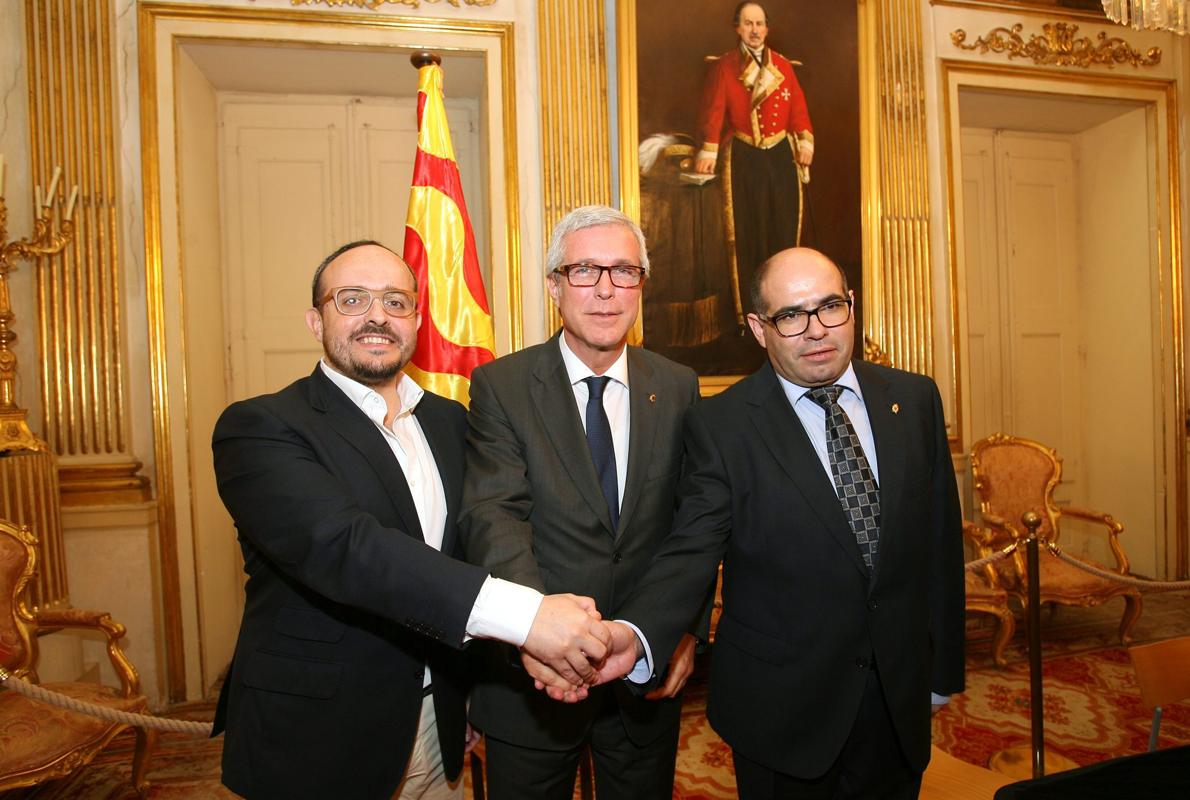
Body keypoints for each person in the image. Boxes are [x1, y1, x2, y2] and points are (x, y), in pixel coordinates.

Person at [211, 240, 612, 800]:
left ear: (417, 321)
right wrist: (530, 619)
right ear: (314, 320)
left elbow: (469, 551)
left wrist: (476, 685)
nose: (377, 315)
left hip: (436, 729)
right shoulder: (261, 427)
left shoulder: (450, 421)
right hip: (317, 738)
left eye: (396, 302)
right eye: (351, 299)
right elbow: (347, 548)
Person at [596, 247, 965, 798]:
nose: (816, 330)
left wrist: (942, 675)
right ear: (758, 327)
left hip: (897, 701)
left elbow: (940, 548)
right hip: (784, 714)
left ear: (852, 307)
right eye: (791, 316)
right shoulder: (721, 425)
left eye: (830, 306)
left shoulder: (913, 399)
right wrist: (639, 632)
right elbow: (691, 549)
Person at [459, 205, 705, 799]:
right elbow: (494, 517)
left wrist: (680, 632)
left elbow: (693, 524)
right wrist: (541, 637)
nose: (605, 290)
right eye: (585, 271)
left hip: (643, 677)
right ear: (554, 286)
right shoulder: (503, 386)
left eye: (623, 271)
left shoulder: (677, 386)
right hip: (533, 681)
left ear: (641, 286)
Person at [695, 1, 814, 331]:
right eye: (748, 23)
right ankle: (751, 315)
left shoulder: (783, 67)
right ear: (738, 28)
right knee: (748, 236)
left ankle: (786, 310)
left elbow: (799, 111)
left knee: (782, 234)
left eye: (760, 23)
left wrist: (804, 142)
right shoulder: (725, 67)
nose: (755, 30)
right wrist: (709, 150)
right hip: (745, 158)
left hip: (779, 157)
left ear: (767, 28)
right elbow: (714, 112)